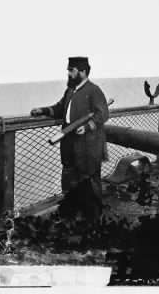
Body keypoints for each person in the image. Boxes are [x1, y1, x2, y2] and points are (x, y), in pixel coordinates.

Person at [30, 57, 109, 223]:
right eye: (68, 70)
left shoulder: (94, 90)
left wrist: (87, 126)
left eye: (71, 70)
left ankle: (94, 222)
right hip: (69, 145)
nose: (68, 73)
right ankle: (73, 219)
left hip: (88, 147)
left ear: (83, 72)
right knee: (69, 181)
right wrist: (43, 110)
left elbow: (103, 113)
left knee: (90, 184)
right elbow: (60, 109)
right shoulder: (70, 91)